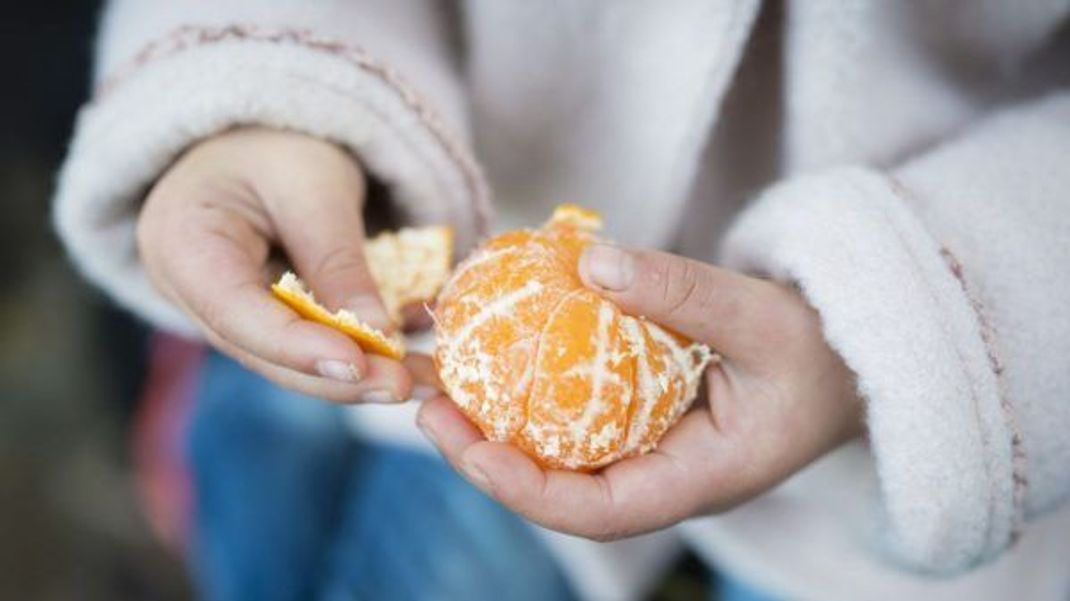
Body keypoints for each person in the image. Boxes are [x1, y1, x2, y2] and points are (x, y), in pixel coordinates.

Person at [54, 2, 1070, 600]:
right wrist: (256, 83)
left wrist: (907, 328)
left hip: (911, 438)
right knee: (254, 521)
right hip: (397, 211)